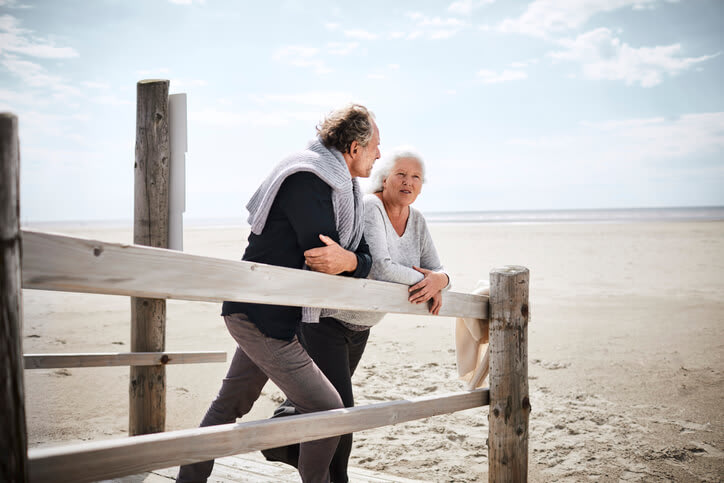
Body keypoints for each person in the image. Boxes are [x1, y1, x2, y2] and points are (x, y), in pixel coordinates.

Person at [176, 104, 380, 483]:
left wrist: (351, 260)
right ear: (354, 148)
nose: (379, 155)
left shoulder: (343, 189)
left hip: (271, 316)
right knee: (327, 410)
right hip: (260, 315)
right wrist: (353, 260)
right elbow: (322, 255)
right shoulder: (308, 177)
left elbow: (355, 256)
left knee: (230, 404)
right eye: (375, 146)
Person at [262, 147, 449, 483]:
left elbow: (437, 268)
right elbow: (379, 267)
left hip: (360, 326)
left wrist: (442, 280)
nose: (408, 182)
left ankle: (283, 444)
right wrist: (427, 281)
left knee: (317, 402)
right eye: (401, 175)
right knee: (341, 413)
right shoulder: (371, 206)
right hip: (327, 320)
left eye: (415, 177)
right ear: (385, 178)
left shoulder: (417, 220)